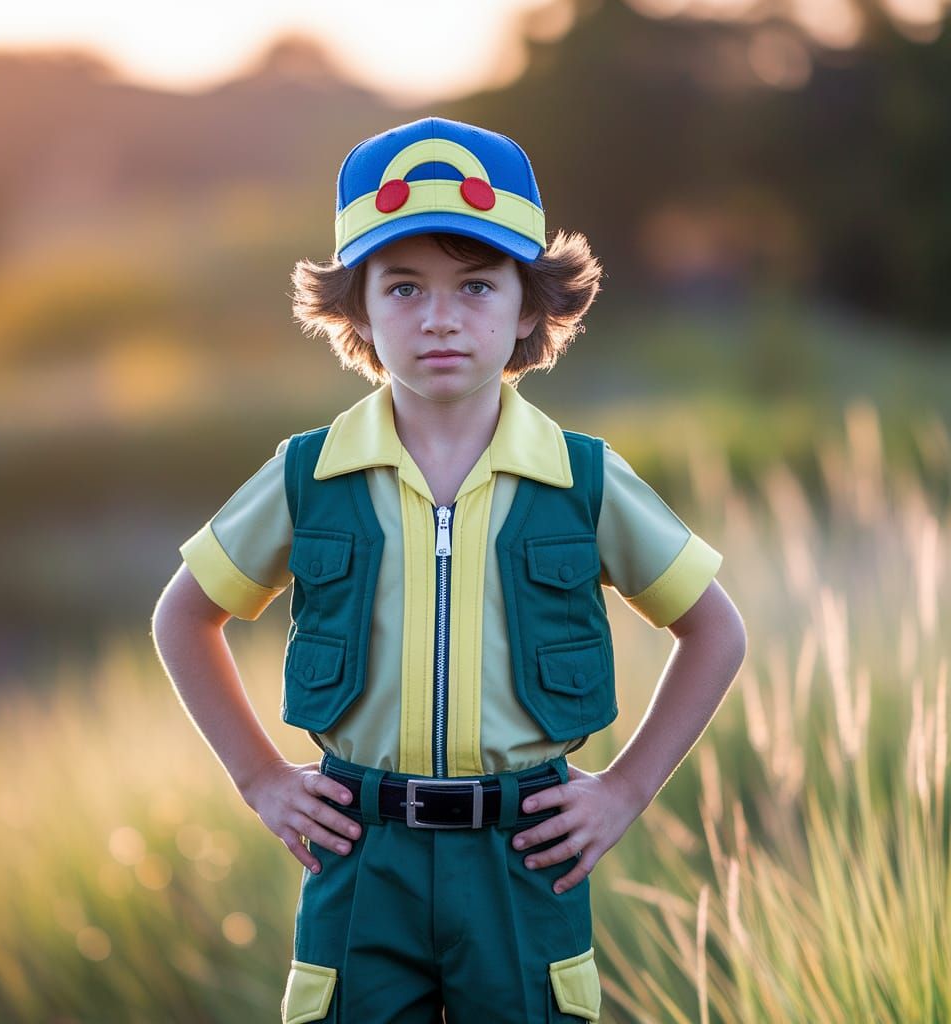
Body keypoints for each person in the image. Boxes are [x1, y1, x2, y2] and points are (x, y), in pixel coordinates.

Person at [152, 116, 747, 1023]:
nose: (439, 317)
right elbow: (184, 616)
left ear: (529, 304)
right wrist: (262, 781)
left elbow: (715, 629)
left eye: (475, 284)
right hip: (361, 856)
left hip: (523, 856)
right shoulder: (308, 474)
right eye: (402, 287)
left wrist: (626, 791)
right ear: (354, 308)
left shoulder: (581, 478)